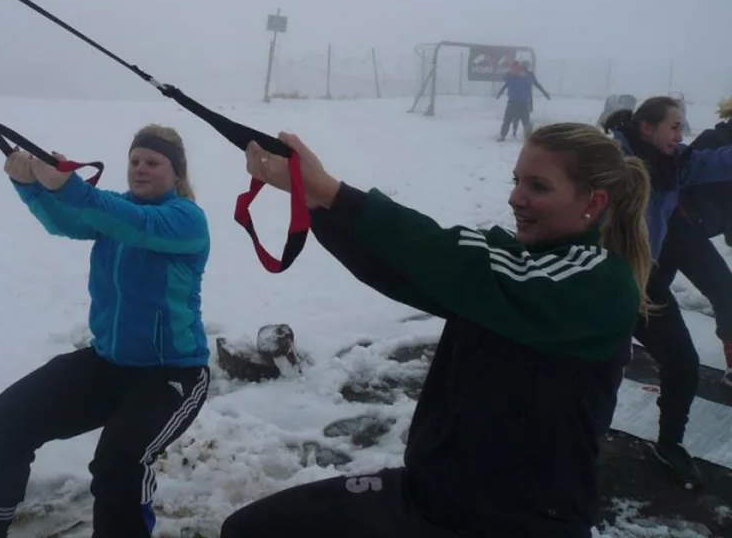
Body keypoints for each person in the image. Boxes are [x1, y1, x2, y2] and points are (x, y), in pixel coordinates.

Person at [221, 122, 652, 538]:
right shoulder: (513, 259)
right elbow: (409, 270)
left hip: (517, 524)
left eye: (538, 186)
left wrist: (334, 191)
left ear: (592, 203)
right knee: (252, 528)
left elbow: (456, 261)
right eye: (517, 180)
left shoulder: (599, 284)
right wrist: (317, 201)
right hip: (428, 498)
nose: (515, 197)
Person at [0, 124, 212, 538]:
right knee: (7, 419)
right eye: (134, 161)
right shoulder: (114, 209)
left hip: (172, 373)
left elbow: (132, 224)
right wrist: (31, 186)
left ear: (177, 173)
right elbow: (68, 222)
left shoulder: (185, 219)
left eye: (153, 162)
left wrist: (69, 187)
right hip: (108, 363)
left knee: (119, 463)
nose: (140, 169)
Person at [602, 96, 732, 486]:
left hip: (645, 279)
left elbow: (719, 161)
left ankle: (670, 442)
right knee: (598, 364)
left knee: (683, 363)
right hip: (602, 281)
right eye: (674, 127)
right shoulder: (612, 161)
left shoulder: (677, 164)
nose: (681, 135)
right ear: (647, 127)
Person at [659, 97, 732, 387]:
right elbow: (677, 176)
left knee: (650, 293)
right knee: (725, 291)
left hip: (690, 230)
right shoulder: (714, 139)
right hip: (678, 226)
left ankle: (612, 340)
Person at [496, 60, 551, 141]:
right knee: (508, 120)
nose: (518, 69)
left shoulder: (529, 76)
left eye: (519, 68)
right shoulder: (511, 75)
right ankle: (503, 136)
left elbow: (537, 84)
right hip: (513, 102)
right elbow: (505, 81)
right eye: (515, 68)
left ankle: (528, 138)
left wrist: (545, 93)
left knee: (525, 122)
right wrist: (500, 93)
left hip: (523, 103)